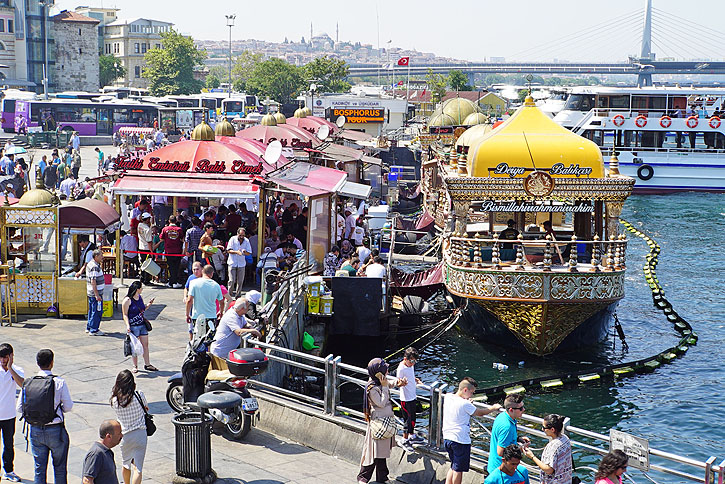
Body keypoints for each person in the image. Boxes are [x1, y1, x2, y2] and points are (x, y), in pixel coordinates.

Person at [19, 349, 74, 484]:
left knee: (39, 469)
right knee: (60, 468)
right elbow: (68, 407)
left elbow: (19, 408)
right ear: (52, 363)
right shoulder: (59, 382)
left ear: (37, 363)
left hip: (35, 430)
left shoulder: (29, 383)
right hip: (55, 430)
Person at [443, 377, 501, 484]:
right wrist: (493, 408)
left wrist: (467, 401)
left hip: (447, 437)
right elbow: (480, 412)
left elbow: (461, 404)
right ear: (465, 390)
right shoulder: (465, 404)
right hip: (460, 440)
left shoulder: (448, 397)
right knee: (458, 469)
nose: (472, 395)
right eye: (472, 392)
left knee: (453, 465)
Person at [357, 358, 406, 484]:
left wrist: (398, 382)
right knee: (374, 451)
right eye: (385, 370)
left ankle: (382, 477)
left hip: (385, 421)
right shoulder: (372, 387)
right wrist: (384, 387)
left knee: (381, 452)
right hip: (378, 423)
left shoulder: (380, 382)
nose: (388, 371)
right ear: (379, 373)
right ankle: (364, 477)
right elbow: (381, 403)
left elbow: (389, 382)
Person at [110, 370, 148, 484]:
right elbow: (146, 408)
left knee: (126, 464)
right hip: (140, 434)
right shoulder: (138, 395)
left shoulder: (115, 400)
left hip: (125, 435)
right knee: (138, 468)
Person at [210, 293, 263, 359]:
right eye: (248, 307)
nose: (248, 309)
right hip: (221, 352)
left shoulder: (239, 314)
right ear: (242, 308)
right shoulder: (231, 316)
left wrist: (250, 327)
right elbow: (238, 332)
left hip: (229, 351)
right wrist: (253, 331)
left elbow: (245, 323)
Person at [523, 414, 572, 484]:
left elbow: (549, 470)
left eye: (544, 427)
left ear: (552, 429)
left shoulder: (553, 447)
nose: (542, 429)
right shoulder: (565, 439)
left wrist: (532, 456)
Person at [121, 281, 158, 373]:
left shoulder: (140, 297)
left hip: (142, 325)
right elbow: (125, 314)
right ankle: (135, 365)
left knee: (145, 345)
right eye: (141, 288)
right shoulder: (127, 300)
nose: (142, 290)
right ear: (137, 289)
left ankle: (147, 364)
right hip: (133, 326)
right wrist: (128, 325)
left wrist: (149, 305)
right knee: (135, 347)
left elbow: (142, 309)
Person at [488, 394, 530, 473]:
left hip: (495, 466)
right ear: (511, 410)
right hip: (502, 470)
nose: (523, 409)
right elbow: (500, 452)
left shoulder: (502, 416)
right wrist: (521, 448)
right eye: (520, 408)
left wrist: (517, 438)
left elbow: (503, 438)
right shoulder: (507, 427)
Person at [0, 344, 23, 482]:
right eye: (1, 358)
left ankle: (9, 470)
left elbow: (22, 384)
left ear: (11, 357)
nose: (3, 360)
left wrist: (10, 368)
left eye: (6, 358)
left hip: (9, 415)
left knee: (9, 445)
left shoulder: (17, 370)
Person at [397, 347, 423, 449]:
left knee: (413, 417)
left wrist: (415, 380)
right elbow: (398, 382)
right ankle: (404, 439)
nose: (413, 363)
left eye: (414, 361)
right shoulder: (401, 368)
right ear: (405, 358)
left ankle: (412, 435)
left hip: (412, 395)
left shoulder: (410, 366)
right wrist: (402, 383)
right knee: (407, 419)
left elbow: (411, 375)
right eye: (411, 361)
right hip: (406, 398)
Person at [82, 420, 122, 484]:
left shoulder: (107, 451)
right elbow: (87, 480)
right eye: (119, 433)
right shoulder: (96, 454)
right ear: (108, 436)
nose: (121, 436)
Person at [186, 265, 224, 333]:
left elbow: (189, 300)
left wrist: (187, 314)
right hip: (211, 316)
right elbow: (221, 301)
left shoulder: (193, 283)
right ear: (212, 273)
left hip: (197, 317)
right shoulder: (216, 285)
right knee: (209, 340)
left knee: (198, 338)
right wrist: (221, 312)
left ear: (202, 271)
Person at [226, 227, 252, 298]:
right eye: (240, 235)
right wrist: (236, 252)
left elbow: (249, 253)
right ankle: (229, 295)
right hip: (232, 262)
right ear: (237, 234)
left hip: (241, 263)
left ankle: (238, 295)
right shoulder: (232, 239)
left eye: (243, 235)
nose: (241, 237)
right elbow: (228, 250)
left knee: (240, 281)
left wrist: (244, 252)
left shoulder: (246, 241)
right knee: (231, 280)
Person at [160, 216, 184, 288]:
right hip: (177, 251)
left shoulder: (165, 229)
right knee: (176, 267)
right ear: (176, 221)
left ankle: (171, 282)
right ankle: (174, 282)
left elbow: (161, 238)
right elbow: (182, 239)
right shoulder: (179, 229)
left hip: (168, 251)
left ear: (169, 221)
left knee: (170, 267)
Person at [85, 249, 105, 336]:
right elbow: (93, 281)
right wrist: (97, 295)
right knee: (96, 311)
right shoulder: (94, 266)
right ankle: (94, 329)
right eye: (101, 256)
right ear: (96, 257)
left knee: (92, 310)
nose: (102, 257)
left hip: (91, 292)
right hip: (95, 294)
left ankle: (89, 326)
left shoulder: (92, 264)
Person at [137, 213, 153, 285]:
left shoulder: (139, 225)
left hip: (141, 247)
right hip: (146, 248)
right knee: (148, 265)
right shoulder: (147, 229)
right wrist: (151, 252)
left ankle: (142, 278)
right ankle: (146, 279)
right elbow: (149, 242)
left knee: (143, 263)